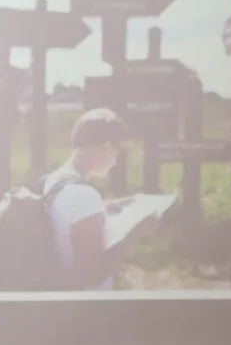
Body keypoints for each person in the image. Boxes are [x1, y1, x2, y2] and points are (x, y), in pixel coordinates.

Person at [43, 108, 156, 290]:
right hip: (88, 303)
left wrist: (104, 207)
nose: (116, 160)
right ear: (106, 147)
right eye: (118, 152)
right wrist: (135, 234)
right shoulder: (84, 196)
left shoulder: (55, 179)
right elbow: (90, 277)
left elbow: (66, 219)